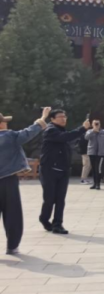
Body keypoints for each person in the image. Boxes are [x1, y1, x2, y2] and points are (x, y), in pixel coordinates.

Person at [1, 107, 50, 254]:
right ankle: (12, 245)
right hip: (7, 180)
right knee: (12, 213)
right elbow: (29, 132)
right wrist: (43, 118)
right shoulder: (9, 136)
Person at [39, 110, 91, 234]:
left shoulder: (62, 130)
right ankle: (44, 219)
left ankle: (58, 224)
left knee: (60, 199)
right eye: (60, 116)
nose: (63, 119)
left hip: (63, 171)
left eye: (64, 116)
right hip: (49, 170)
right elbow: (65, 137)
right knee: (49, 198)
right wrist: (82, 128)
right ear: (52, 119)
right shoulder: (50, 130)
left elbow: (67, 137)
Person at [85, 120, 104, 190]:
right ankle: (94, 183)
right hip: (92, 152)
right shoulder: (89, 131)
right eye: (95, 124)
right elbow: (86, 137)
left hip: (101, 153)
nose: (97, 125)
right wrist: (93, 131)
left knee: (98, 168)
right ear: (92, 124)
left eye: (98, 123)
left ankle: (98, 184)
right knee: (94, 168)